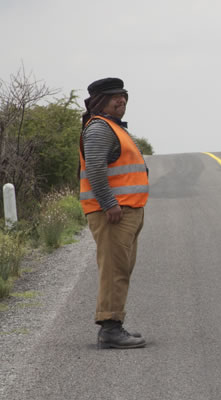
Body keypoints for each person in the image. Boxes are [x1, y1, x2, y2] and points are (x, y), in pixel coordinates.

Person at [79, 77, 149, 349]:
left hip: (125, 211)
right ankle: (110, 329)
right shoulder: (99, 128)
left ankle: (114, 323)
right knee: (113, 270)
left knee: (120, 269)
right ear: (99, 101)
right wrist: (109, 203)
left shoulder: (112, 127)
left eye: (123, 95)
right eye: (113, 97)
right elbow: (96, 168)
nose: (120, 100)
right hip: (113, 214)